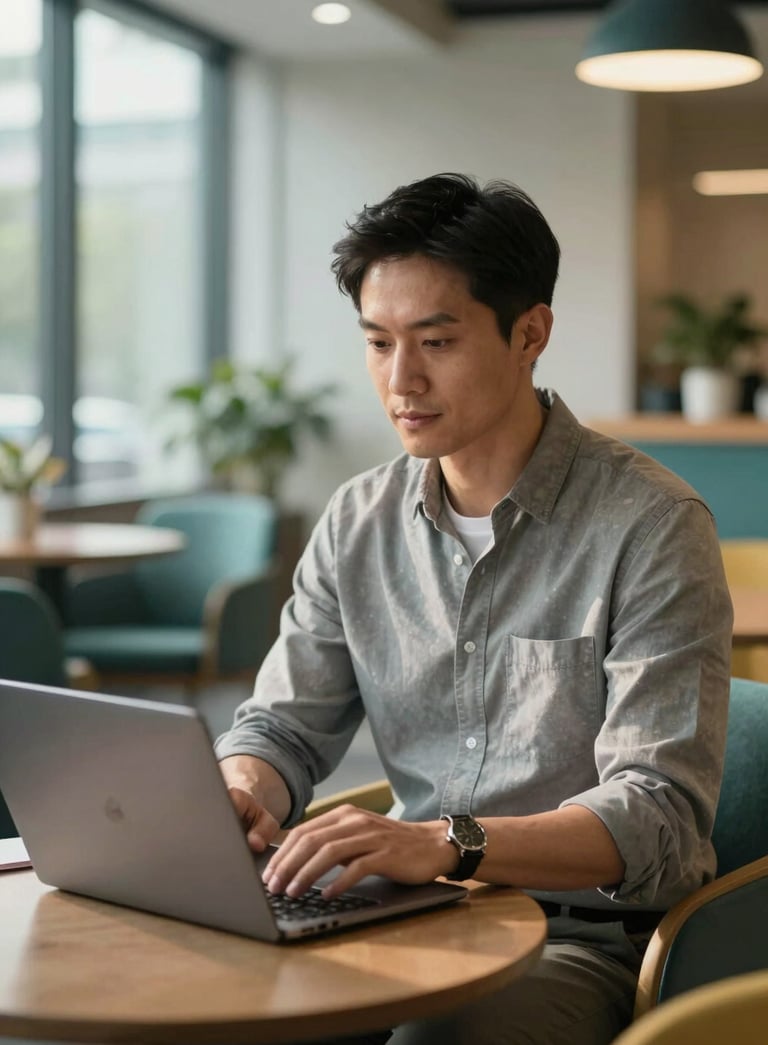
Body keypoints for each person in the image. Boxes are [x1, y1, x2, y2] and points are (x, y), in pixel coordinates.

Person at [214, 173, 733, 1045]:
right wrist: (241, 788)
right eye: (377, 343)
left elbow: (657, 814)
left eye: (436, 341)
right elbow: (282, 728)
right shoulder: (357, 519)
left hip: (576, 942)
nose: (400, 379)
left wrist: (452, 841)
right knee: (205, 1011)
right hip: (397, 912)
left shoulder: (652, 525)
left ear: (530, 333)